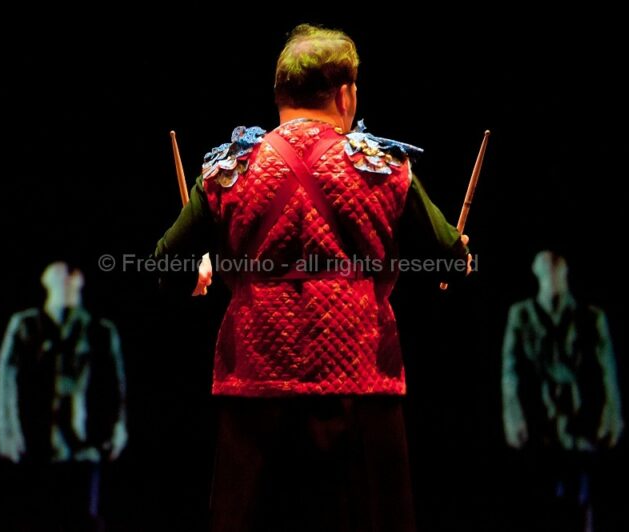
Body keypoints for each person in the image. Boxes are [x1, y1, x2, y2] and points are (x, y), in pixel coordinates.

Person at [153, 24, 470, 531]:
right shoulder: (384, 167)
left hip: (256, 397)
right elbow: (450, 257)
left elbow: (165, 263)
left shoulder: (227, 169)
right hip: (360, 392)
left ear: (279, 95)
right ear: (345, 94)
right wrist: (459, 253)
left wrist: (195, 272)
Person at [0, 261, 128, 531]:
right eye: (60, 279)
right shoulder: (26, 326)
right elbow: (6, 382)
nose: (66, 283)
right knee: (39, 516)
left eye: (70, 278)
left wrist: (117, 428)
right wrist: (7, 432)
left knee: (83, 518)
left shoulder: (99, 331)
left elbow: (114, 384)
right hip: (35, 443)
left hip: (84, 444)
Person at [501, 250, 623, 531]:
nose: (553, 278)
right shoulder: (522, 315)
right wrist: (514, 418)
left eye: (557, 271)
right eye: (546, 272)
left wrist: (610, 416)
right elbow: (511, 371)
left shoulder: (590, 318)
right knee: (543, 501)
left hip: (579, 422)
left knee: (581, 500)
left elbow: (608, 371)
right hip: (539, 423)